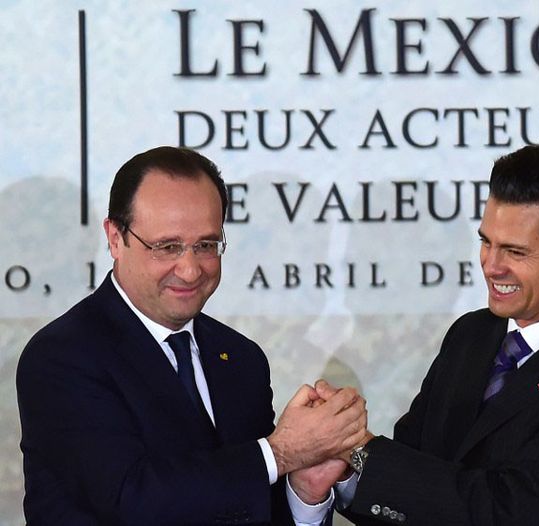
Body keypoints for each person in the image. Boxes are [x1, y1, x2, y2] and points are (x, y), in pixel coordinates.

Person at [301, 144, 539, 525]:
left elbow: (507, 512)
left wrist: (359, 448)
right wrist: (342, 469)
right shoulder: (471, 334)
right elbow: (412, 483)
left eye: (515, 252)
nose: (491, 266)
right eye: (486, 242)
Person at [16, 146, 366, 525]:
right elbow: (133, 499)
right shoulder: (62, 356)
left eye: (206, 245)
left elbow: (244, 504)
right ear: (116, 239)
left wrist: (304, 492)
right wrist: (281, 453)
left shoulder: (240, 358)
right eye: (167, 247)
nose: (190, 269)